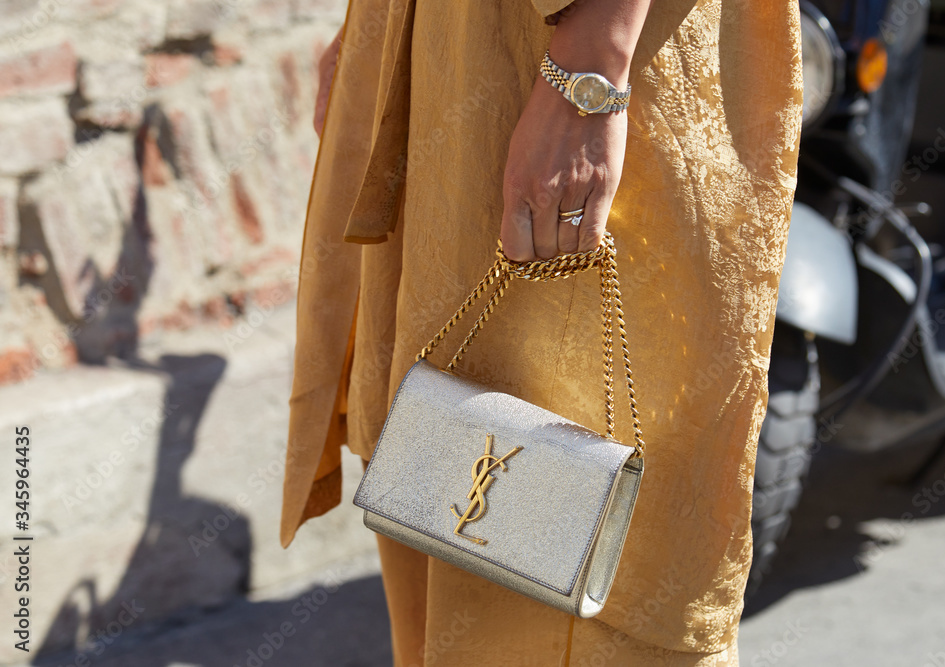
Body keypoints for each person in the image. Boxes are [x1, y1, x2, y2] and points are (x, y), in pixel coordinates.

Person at [281, 0, 803, 664]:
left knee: (583, 589)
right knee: (437, 485)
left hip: (573, 49)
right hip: (452, 48)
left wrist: (589, 74)